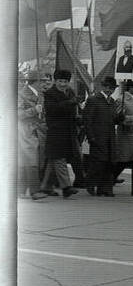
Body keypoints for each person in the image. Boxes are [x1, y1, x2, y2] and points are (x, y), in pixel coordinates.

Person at [43, 69, 82, 198]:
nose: (63, 84)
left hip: (69, 131)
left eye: (65, 81)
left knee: (52, 160)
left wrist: (78, 118)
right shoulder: (49, 93)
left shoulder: (70, 93)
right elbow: (52, 109)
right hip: (55, 130)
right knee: (59, 158)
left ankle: (45, 186)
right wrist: (70, 102)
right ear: (55, 81)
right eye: (60, 81)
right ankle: (66, 187)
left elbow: (72, 111)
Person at [83, 76, 121, 197]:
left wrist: (120, 118)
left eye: (112, 88)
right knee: (98, 163)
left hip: (110, 137)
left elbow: (113, 119)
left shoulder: (112, 102)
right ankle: (90, 183)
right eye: (108, 87)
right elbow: (87, 120)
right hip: (98, 136)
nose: (110, 90)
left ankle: (105, 189)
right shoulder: (94, 100)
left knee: (110, 163)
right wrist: (91, 137)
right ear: (103, 87)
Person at [17, 71, 47, 199]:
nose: (45, 83)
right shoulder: (21, 94)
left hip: (36, 129)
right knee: (32, 159)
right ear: (36, 82)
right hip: (25, 129)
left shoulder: (40, 95)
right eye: (43, 81)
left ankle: (21, 190)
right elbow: (18, 114)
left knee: (26, 160)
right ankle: (35, 191)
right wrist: (33, 110)